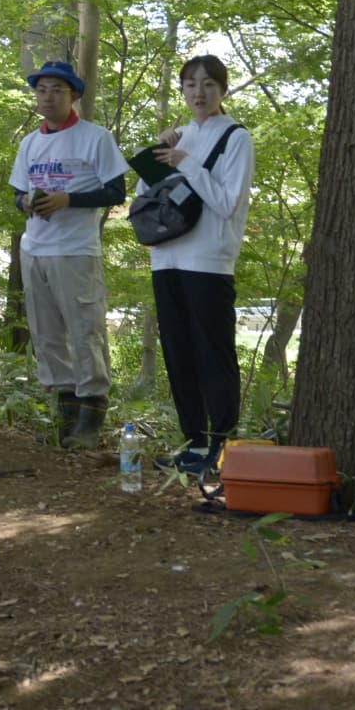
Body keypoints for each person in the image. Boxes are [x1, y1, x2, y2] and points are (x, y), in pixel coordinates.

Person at [8, 59, 129, 447]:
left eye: (56, 90)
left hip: (76, 250)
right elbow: (16, 193)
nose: (47, 97)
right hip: (35, 248)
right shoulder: (30, 142)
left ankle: (91, 414)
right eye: (41, 90)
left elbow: (116, 192)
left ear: (74, 95)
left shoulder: (96, 138)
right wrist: (26, 200)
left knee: (84, 330)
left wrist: (68, 199)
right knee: (46, 334)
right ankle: (64, 416)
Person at [146, 54, 255, 477]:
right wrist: (159, 151)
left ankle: (221, 448)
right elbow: (145, 196)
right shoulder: (180, 135)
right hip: (166, 256)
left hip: (208, 261)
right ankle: (193, 445)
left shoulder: (236, 138)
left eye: (209, 84)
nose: (199, 92)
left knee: (214, 354)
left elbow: (228, 203)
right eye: (191, 84)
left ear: (223, 90)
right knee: (178, 353)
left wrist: (186, 162)